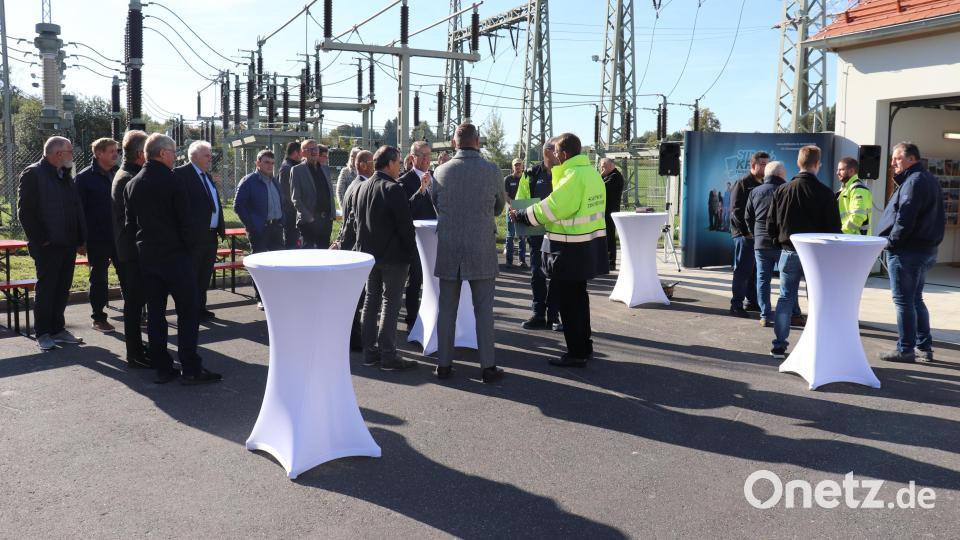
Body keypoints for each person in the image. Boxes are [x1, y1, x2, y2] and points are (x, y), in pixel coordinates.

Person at [124, 133, 221, 385]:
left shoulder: (132, 183)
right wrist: (190, 250)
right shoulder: (174, 180)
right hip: (176, 257)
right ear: (163, 153)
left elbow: (130, 225)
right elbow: (185, 221)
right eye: (173, 152)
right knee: (188, 312)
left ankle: (163, 367)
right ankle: (190, 367)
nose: (175, 156)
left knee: (156, 314)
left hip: (148, 257)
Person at [513, 133, 608, 367]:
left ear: (564, 154)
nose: (553, 156)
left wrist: (524, 215)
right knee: (580, 300)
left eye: (555, 152)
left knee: (569, 305)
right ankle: (584, 347)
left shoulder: (573, 176)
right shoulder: (591, 173)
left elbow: (554, 207)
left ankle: (576, 353)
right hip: (587, 246)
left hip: (569, 249)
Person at [431, 123, 507, 383]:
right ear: (477, 141)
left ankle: (443, 365)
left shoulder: (440, 171)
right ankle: (488, 367)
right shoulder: (492, 170)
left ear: (454, 142)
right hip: (481, 247)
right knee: (484, 309)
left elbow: (436, 203)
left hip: (450, 246)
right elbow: (499, 206)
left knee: (446, 309)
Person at [766, 145, 841, 359]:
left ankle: (779, 345)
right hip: (817, 254)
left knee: (785, 297)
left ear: (798, 163)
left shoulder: (782, 190)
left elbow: (771, 222)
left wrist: (778, 242)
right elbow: (834, 229)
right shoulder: (826, 193)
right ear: (818, 164)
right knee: (816, 298)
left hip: (789, 251)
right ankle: (816, 343)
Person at [876, 142, 946, 363]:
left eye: (897, 158)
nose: (893, 163)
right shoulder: (927, 180)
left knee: (904, 301)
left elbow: (905, 217)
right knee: (915, 299)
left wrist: (891, 243)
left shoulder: (913, 182)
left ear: (911, 159)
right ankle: (923, 348)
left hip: (908, 251)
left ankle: (905, 349)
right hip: (924, 249)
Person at [17, 136, 86, 352]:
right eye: (70, 152)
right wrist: (43, 240)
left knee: (62, 288)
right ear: (58, 154)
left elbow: (75, 208)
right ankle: (43, 333)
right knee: (47, 289)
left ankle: (58, 329)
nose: (72, 156)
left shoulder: (64, 175)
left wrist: (80, 238)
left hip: (67, 243)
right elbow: (25, 213)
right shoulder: (33, 174)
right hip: (48, 246)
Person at [352, 146, 418, 372]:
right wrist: (411, 252)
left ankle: (370, 353)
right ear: (389, 163)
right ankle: (388, 355)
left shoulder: (362, 187)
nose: (399, 166)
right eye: (398, 162)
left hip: (369, 256)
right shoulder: (393, 188)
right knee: (390, 304)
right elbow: (405, 227)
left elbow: (356, 223)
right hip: (393, 257)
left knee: (371, 303)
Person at [745, 160, 802, 328]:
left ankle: (765, 315)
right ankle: (793, 313)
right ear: (781, 174)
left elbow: (748, 217)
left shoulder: (755, 191)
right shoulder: (788, 190)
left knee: (762, 279)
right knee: (789, 280)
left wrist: (755, 234)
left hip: (761, 243)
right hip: (782, 242)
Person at [112, 130, 151, 368]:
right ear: (140, 154)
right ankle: (134, 353)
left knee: (137, 303)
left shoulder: (129, 173)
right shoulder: (128, 177)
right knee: (135, 304)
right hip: (132, 251)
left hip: (130, 249)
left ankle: (137, 347)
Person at [174, 141, 225, 321]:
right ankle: (189, 311)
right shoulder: (181, 174)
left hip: (210, 235)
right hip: (194, 236)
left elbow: (214, 203)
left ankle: (200, 308)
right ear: (194, 157)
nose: (210, 158)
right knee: (192, 276)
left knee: (204, 276)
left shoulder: (206, 176)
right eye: (206, 155)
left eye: (210, 155)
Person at [75, 137, 120, 332]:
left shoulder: (118, 173)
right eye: (111, 151)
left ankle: (136, 312)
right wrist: (81, 240)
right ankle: (99, 318)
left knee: (128, 275)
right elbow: (78, 211)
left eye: (116, 150)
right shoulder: (84, 177)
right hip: (97, 237)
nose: (115, 154)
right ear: (99, 153)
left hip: (120, 236)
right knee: (99, 277)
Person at [515, 141, 561, 331]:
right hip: (536, 233)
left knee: (558, 276)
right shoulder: (531, 174)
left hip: (560, 233)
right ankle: (539, 314)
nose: (558, 154)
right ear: (546, 152)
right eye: (555, 151)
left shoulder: (567, 174)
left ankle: (555, 316)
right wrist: (519, 216)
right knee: (537, 274)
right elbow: (521, 200)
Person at [333, 149, 374, 351]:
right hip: (356, 248)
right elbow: (353, 221)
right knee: (357, 297)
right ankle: (355, 339)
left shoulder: (354, 184)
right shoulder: (361, 186)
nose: (375, 165)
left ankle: (353, 338)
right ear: (364, 165)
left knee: (355, 297)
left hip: (350, 245)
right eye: (372, 162)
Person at [234, 150, 285, 306]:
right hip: (259, 230)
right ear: (258, 163)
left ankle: (276, 295)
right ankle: (261, 298)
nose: (269, 165)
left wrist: (282, 220)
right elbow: (238, 206)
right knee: (261, 265)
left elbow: (280, 203)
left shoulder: (274, 181)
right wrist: (252, 225)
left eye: (272, 162)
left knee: (279, 264)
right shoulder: (249, 181)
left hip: (276, 228)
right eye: (266, 162)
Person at [398, 141, 437, 331]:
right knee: (415, 280)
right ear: (412, 158)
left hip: (436, 237)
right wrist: (421, 191)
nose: (427, 160)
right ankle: (412, 320)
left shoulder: (436, 178)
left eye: (429, 155)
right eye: (422, 155)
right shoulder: (403, 181)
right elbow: (405, 211)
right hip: (416, 240)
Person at [728, 151, 769, 317]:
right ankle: (735, 305)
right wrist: (746, 233)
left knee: (754, 271)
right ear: (753, 166)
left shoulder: (764, 183)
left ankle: (751, 301)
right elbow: (736, 211)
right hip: (744, 236)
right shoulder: (743, 183)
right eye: (763, 164)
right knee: (743, 271)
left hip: (759, 236)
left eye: (768, 163)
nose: (766, 167)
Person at [290, 140, 336, 249]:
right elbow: (295, 198)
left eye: (316, 149)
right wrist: (309, 218)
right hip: (309, 223)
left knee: (324, 253)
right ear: (303, 153)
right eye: (310, 149)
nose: (314, 152)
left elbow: (329, 193)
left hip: (326, 221)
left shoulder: (325, 169)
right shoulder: (297, 170)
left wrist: (331, 215)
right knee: (309, 256)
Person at [836, 157, 873, 235]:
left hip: (856, 240)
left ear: (851, 171)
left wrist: (842, 232)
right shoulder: (846, 188)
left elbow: (858, 216)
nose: (837, 173)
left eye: (841, 170)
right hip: (850, 239)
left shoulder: (858, 189)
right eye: (838, 170)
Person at [600, 157, 624, 270]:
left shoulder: (615, 177)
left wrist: (600, 175)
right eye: (601, 165)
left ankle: (611, 262)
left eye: (604, 165)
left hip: (610, 211)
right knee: (605, 236)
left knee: (609, 236)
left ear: (611, 165)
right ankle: (605, 260)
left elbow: (601, 188)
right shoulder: (608, 176)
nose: (602, 167)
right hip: (605, 211)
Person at [503, 158, 527, 268]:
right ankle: (509, 261)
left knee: (522, 236)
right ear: (513, 166)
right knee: (510, 235)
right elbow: (505, 195)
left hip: (523, 211)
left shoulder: (526, 178)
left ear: (522, 166)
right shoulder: (508, 179)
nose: (517, 167)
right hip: (511, 210)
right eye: (515, 165)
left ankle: (522, 261)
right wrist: (512, 205)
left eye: (519, 165)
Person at [278, 141, 302, 248]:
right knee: (291, 242)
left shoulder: (292, 165)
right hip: (290, 212)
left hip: (293, 211)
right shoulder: (287, 168)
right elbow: (287, 193)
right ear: (296, 152)